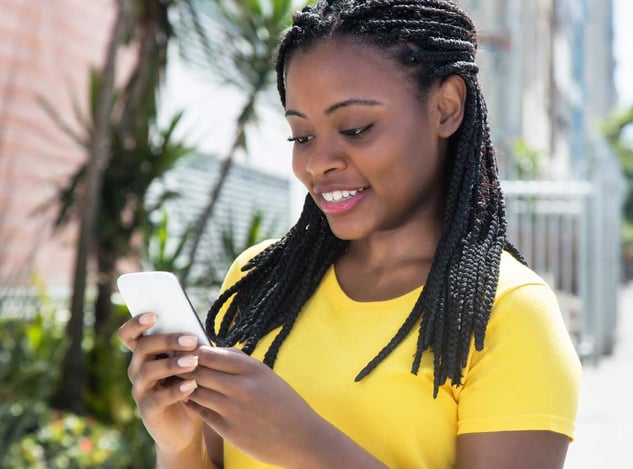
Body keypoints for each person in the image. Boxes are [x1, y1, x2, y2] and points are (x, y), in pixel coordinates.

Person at [118, 0, 581, 467]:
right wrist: (178, 446)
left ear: (445, 108)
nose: (318, 162)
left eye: (356, 128)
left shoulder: (509, 312)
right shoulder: (262, 281)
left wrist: (306, 445)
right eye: (302, 136)